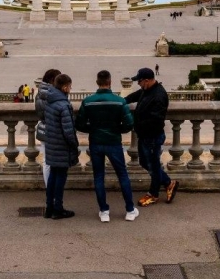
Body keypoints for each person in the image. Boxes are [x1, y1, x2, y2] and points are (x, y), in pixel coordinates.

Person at [76, 70, 138, 222]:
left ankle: (104, 211)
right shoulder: (119, 101)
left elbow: (79, 124)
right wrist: (117, 130)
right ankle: (130, 210)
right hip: (113, 142)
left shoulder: (88, 101)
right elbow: (129, 123)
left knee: (98, 176)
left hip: (96, 142)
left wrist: (93, 130)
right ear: (110, 82)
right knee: (122, 175)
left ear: (97, 82)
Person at [125, 67, 178, 207]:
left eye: (139, 81)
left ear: (147, 80)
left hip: (152, 137)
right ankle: (168, 182)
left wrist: (136, 122)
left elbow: (157, 120)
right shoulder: (147, 90)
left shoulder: (159, 95)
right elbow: (134, 96)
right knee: (145, 163)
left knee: (153, 166)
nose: (138, 84)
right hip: (145, 136)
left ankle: (153, 194)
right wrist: (120, 101)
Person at [42, 73, 79, 220]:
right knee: (60, 178)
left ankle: (49, 207)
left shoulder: (49, 100)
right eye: (70, 86)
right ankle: (58, 209)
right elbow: (69, 131)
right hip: (62, 147)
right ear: (64, 87)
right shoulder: (64, 105)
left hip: (51, 144)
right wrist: (74, 145)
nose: (71, 88)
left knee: (52, 177)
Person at [35, 69, 61, 187]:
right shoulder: (54, 94)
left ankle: (48, 188)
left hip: (42, 129)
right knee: (56, 162)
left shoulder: (39, 93)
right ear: (52, 80)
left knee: (46, 162)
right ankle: (53, 189)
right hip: (53, 129)